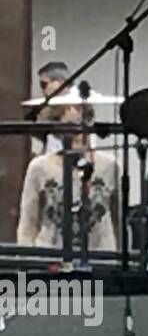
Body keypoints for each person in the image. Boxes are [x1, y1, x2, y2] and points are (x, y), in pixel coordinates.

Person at [17, 101, 120, 256]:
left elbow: (119, 218)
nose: (77, 135)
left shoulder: (109, 165)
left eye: (82, 126)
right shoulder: (40, 167)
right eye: (70, 128)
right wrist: (26, 263)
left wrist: (119, 260)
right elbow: (28, 223)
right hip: (51, 259)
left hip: (100, 259)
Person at [24, 61, 70, 157]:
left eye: (44, 84)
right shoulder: (48, 107)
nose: (42, 90)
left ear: (59, 83)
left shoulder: (75, 106)